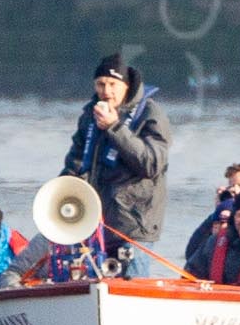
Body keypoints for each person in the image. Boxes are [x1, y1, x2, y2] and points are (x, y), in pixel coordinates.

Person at [62, 53, 170, 277]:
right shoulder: (89, 116)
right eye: (100, 84)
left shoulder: (150, 113)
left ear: (126, 85)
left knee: (132, 293)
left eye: (113, 84)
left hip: (135, 227)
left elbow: (151, 164)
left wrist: (115, 128)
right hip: (96, 226)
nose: (106, 91)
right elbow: (75, 164)